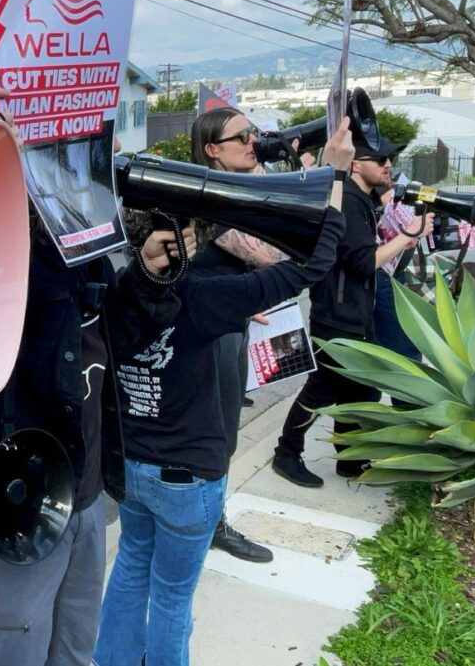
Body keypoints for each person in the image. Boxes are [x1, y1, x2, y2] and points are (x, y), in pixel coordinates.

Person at [0, 87, 189, 666]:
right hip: (14, 502)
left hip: (82, 497)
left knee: (74, 649)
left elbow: (110, 339)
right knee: (9, 649)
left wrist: (146, 278)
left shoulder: (81, 240)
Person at [94, 186, 347, 666]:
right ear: (183, 240)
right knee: (172, 595)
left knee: (130, 567)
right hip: (188, 475)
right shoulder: (207, 297)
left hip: (130, 465)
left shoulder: (117, 289)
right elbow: (311, 266)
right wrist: (332, 193)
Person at [272, 134, 432, 487]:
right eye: (379, 159)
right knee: (321, 390)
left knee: (357, 390)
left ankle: (351, 459)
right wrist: (407, 236)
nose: (388, 165)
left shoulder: (361, 200)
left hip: (354, 314)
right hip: (338, 316)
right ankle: (286, 454)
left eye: (389, 159)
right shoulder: (350, 203)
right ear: (356, 164)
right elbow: (362, 262)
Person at [186, 106, 287, 564]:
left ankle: (208, 520)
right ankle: (207, 525)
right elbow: (272, 254)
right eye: (242, 136)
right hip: (207, 336)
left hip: (229, 324)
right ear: (212, 150)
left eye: (255, 134)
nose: (253, 142)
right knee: (215, 435)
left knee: (223, 432)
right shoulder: (208, 197)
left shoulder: (233, 191)